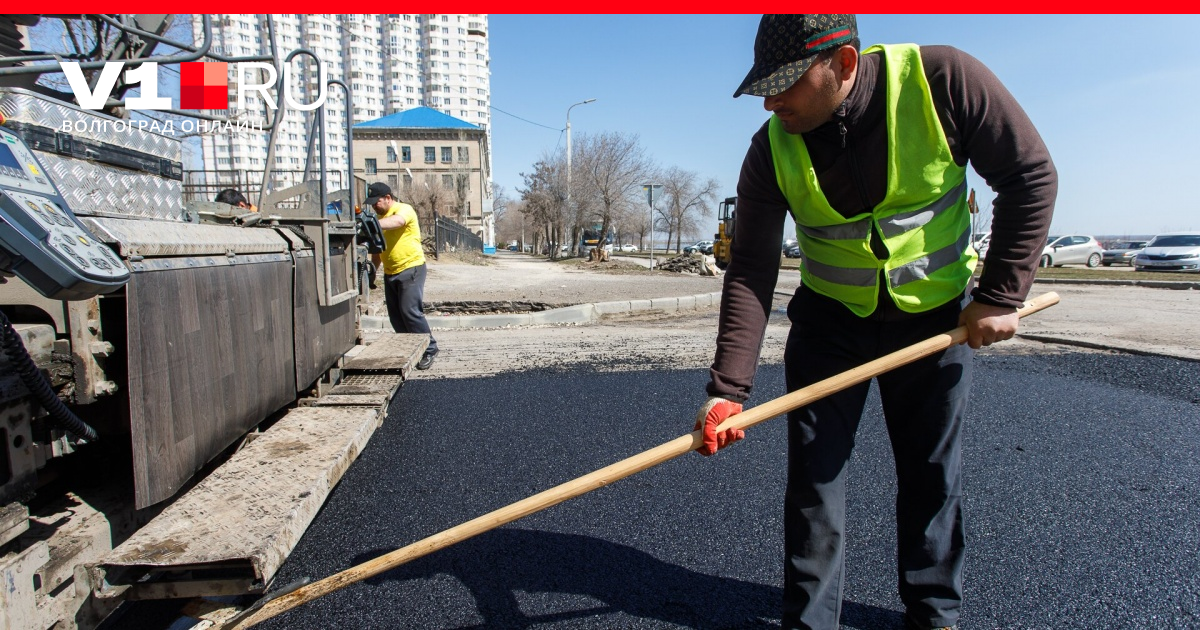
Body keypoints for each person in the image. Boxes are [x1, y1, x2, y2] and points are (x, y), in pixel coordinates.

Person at [695, 15, 1056, 630]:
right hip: (830, 328)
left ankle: (934, 616)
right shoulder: (771, 148)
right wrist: (728, 391)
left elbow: (1029, 175)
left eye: (786, 82)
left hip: (936, 324)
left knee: (931, 477)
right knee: (815, 483)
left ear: (844, 64)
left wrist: (999, 294)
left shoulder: (943, 81)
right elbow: (752, 268)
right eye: (764, 83)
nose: (770, 98)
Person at [365, 182, 438, 370]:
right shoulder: (378, 218)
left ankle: (430, 348)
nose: (374, 206)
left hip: (411, 268)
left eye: (377, 202)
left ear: (388, 198)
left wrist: (371, 224)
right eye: (371, 203)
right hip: (391, 273)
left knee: (410, 311)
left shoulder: (404, 209)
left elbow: (398, 222)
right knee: (396, 317)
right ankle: (411, 349)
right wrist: (373, 272)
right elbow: (378, 250)